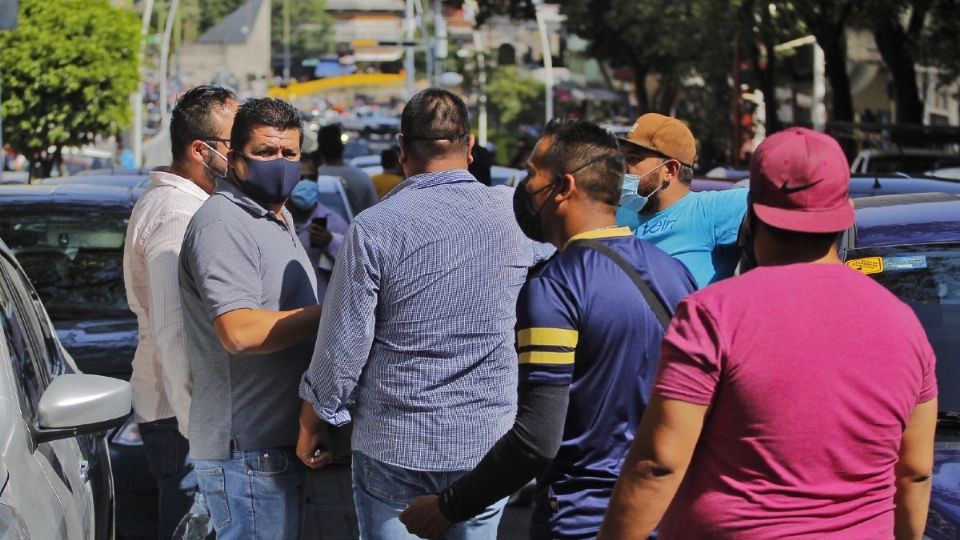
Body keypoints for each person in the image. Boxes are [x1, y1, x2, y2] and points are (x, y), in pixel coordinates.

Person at [599, 128, 938, 539]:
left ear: (753, 215)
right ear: (845, 213)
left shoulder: (712, 315)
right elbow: (916, 473)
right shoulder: (904, 325)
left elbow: (659, 463)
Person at [399, 119, 696, 539]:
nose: (525, 186)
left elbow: (537, 438)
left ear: (564, 186)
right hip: (664, 512)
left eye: (534, 172)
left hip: (581, 520)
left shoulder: (555, 287)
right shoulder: (675, 274)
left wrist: (449, 506)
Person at [297, 88, 549, 539]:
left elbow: (344, 345)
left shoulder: (373, 228)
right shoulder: (515, 218)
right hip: (484, 444)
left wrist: (314, 419)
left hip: (394, 445)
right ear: (470, 148)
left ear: (400, 151)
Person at [178, 97, 323, 539]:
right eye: (265, 152)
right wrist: (332, 313)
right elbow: (239, 332)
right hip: (247, 454)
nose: (279, 163)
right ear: (235, 158)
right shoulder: (222, 224)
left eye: (289, 153)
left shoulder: (277, 217)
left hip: (274, 449)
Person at [122, 85, 237, 540]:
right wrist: (202, 436)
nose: (245, 152)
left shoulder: (194, 206)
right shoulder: (176, 215)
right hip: (184, 424)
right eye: (235, 142)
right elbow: (174, 334)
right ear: (199, 149)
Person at [615, 113, 748, 288]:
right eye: (621, 157)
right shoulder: (615, 215)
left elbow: (776, 197)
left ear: (670, 169)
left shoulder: (707, 212)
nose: (621, 166)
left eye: (632, 158)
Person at [287, 179, 350, 302]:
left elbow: (353, 266)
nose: (305, 183)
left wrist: (330, 243)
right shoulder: (274, 220)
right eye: (301, 177)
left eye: (310, 177)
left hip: (321, 306)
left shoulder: (335, 223)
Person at [316, 123, 379, 215]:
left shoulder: (314, 178)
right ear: (342, 148)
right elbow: (374, 213)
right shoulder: (362, 177)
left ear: (320, 149)